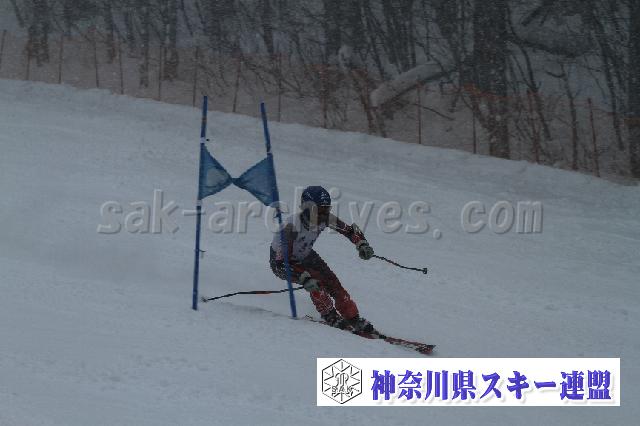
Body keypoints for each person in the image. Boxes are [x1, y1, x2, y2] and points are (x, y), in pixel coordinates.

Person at [270, 186, 376, 332]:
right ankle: (330, 316)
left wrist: (361, 244)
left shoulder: (325, 218)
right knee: (316, 283)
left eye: (326, 209)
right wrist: (304, 278)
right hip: (284, 263)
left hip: (306, 254)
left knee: (333, 282)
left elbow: (349, 231)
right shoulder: (291, 227)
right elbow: (280, 263)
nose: (323, 215)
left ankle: (353, 318)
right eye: (319, 210)